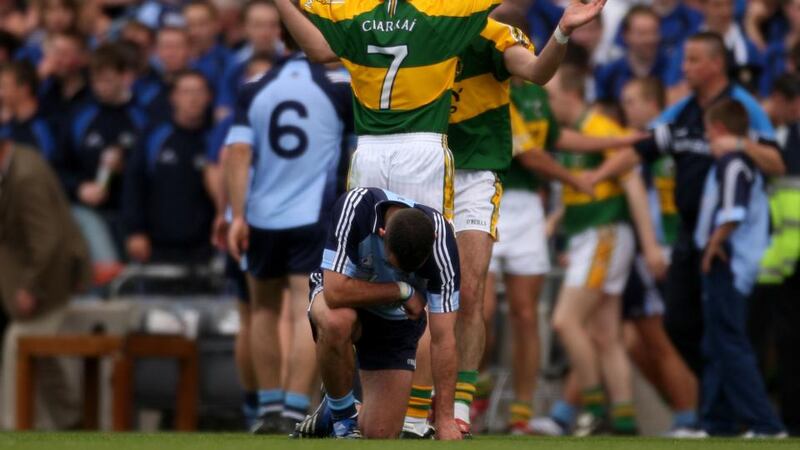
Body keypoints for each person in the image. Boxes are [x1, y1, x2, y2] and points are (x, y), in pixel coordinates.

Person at [402, 2, 607, 438]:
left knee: (471, 291)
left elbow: (535, 71)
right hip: (423, 168)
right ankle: (416, 409)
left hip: (476, 175)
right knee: (423, 295)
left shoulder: (495, 35)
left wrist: (563, 33)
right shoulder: (415, 29)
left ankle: (459, 405)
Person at [589, 32, 785, 377]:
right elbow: (640, 150)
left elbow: (776, 162)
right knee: (678, 322)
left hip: (730, 235)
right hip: (688, 232)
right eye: (685, 59)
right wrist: (592, 179)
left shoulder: (742, 107)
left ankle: (733, 410)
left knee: (729, 327)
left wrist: (739, 142)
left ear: (716, 63)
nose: (685, 67)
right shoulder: (682, 111)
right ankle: (718, 394)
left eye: (693, 60)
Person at [224, 34, 353, 433]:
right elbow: (353, 153)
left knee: (261, 309)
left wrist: (237, 215)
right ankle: (296, 408)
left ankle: (267, 408)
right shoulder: (339, 88)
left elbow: (238, 153)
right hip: (313, 213)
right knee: (305, 307)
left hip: (261, 215)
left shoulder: (255, 86)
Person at [547, 60, 666, 436]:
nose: (545, 103)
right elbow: (586, 184)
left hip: (604, 235)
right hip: (592, 234)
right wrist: (558, 222)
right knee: (606, 336)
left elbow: (631, 184)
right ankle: (626, 421)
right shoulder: (576, 131)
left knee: (565, 321)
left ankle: (593, 409)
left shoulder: (600, 129)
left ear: (569, 94)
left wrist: (650, 246)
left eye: (549, 95)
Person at [301, 187, 461, 439]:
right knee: (336, 320)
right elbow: (334, 292)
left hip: (395, 322)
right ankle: (343, 421)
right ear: (382, 234)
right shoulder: (356, 207)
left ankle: (328, 415)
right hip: (347, 302)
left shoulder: (442, 242)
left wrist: (445, 418)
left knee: (379, 433)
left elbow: (444, 338)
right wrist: (403, 290)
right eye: (395, 267)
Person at [695, 99, 786, 437]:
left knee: (730, 344)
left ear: (718, 129)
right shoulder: (736, 162)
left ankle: (765, 422)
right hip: (729, 262)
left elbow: (733, 212)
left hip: (729, 262)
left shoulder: (733, 163)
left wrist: (713, 246)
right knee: (716, 344)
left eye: (707, 131)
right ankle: (717, 422)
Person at [617, 77, 702, 437]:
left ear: (655, 102)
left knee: (659, 336)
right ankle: (685, 409)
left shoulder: (654, 140)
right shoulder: (657, 139)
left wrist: (652, 245)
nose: (627, 109)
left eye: (633, 101)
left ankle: (689, 414)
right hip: (653, 247)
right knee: (634, 342)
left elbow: (645, 196)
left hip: (662, 246)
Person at [0, 136, 91, 430]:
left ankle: (15, 430)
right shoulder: (13, 166)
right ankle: (72, 422)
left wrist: (31, 287)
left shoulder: (25, 176)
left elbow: (47, 239)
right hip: (33, 277)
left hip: (50, 280)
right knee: (44, 357)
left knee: (19, 344)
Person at [53, 43, 146, 264]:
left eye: (107, 80)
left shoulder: (143, 117)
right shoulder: (80, 117)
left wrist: (125, 168)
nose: (100, 87)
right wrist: (80, 187)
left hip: (132, 215)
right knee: (104, 274)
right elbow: (57, 167)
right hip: (90, 212)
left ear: (125, 77)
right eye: (95, 81)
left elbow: (152, 173)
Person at [121, 70, 215, 264]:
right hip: (157, 244)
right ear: (174, 97)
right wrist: (135, 230)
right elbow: (134, 184)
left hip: (206, 245)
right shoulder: (154, 137)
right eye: (186, 92)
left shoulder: (215, 139)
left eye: (199, 92)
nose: (193, 99)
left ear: (208, 97)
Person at [595, 5, 671, 102]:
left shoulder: (671, 66)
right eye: (642, 33)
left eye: (653, 32)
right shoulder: (609, 73)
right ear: (625, 35)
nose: (649, 39)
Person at [0, 61, 57, 160]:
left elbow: (47, 165)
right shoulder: (6, 128)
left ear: (24, 88)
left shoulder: (45, 126)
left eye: (4, 86)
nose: (1, 93)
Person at [183, 0, 231, 89]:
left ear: (217, 25)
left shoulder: (228, 63)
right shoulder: (177, 59)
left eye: (202, 24)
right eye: (190, 24)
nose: (194, 31)